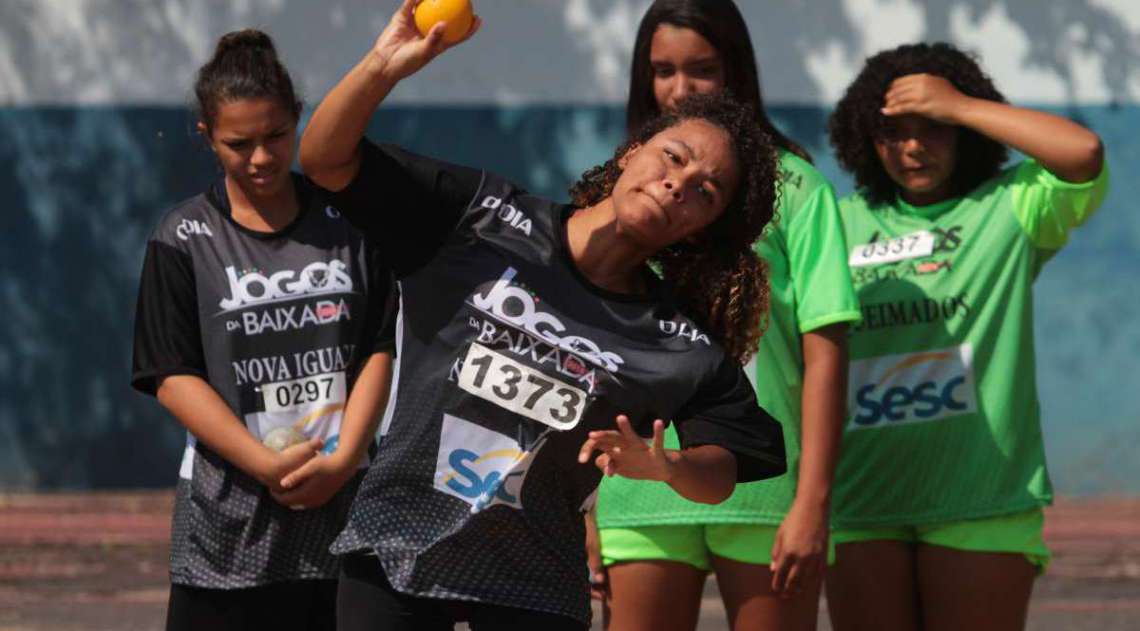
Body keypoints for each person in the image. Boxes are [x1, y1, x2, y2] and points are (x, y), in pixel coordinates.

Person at [297, 2, 787, 629]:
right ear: (634, 150)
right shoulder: (481, 217)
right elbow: (325, 161)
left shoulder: (677, 346)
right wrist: (381, 68)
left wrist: (668, 467)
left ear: (702, 229)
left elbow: (725, 467)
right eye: (674, 157)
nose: (679, 184)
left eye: (705, 191)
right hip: (398, 553)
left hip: (533, 587)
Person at [592, 1, 860, 629]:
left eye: (701, 70)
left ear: (736, 71)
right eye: (661, 70)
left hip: (763, 487)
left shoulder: (796, 188)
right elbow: (595, 349)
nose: (679, 89)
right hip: (637, 488)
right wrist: (585, 506)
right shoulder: (626, 186)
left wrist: (812, 504)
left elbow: (827, 353)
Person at [824, 42, 1108, 631]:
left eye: (934, 128)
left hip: (982, 497)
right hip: (860, 498)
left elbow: (1082, 153)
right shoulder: (838, 222)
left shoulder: (1012, 207)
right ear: (865, 139)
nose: (912, 147)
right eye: (892, 132)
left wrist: (965, 106)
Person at [130, 29, 397, 631]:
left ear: (298, 119)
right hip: (228, 525)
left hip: (347, 507)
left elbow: (380, 346)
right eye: (238, 143)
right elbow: (171, 374)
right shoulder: (183, 238)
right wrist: (264, 464)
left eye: (276, 136)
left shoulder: (349, 225)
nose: (260, 158)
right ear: (207, 137)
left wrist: (347, 457)